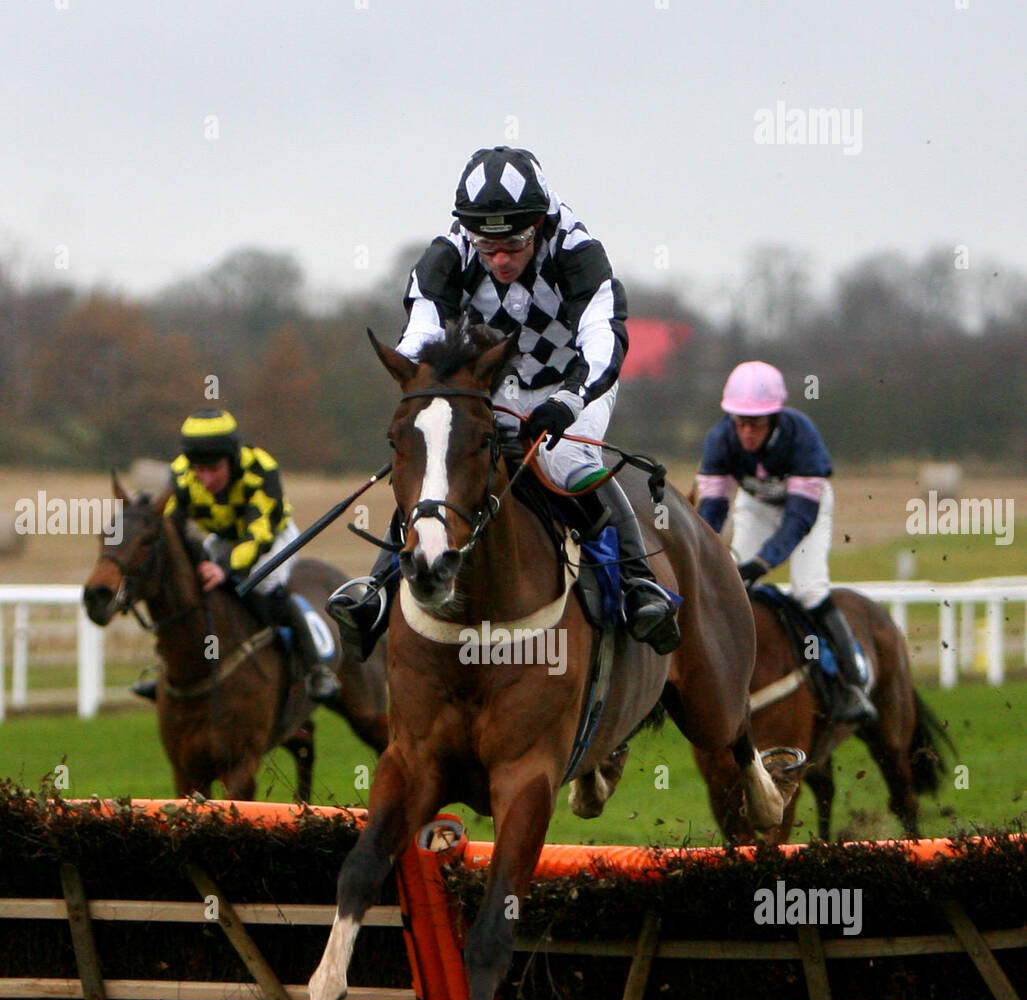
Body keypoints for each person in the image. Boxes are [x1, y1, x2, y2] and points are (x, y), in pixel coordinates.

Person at [328, 144, 680, 659]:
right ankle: (380, 592)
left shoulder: (577, 250)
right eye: (485, 245)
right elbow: (421, 331)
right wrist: (424, 385)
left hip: (572, 380)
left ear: (537, 222)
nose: (498, 259)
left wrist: (568, 399)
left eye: (513, 243)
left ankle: (636, 581)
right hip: (488, 386)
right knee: (441, 461)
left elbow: (604, 339)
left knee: (565, 458)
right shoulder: (447, 255)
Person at [695, 362, 876, 723]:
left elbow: (798, 521)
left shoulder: (802, 436)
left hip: (806, 509)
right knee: (731, 586)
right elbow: (713, 510)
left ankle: (852, 683)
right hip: (756, 506)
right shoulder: (720, 439)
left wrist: (762, 562)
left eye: (756, 424)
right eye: (740, 422)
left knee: (809, 589)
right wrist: (707, 553)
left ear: (775, 418)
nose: (746, 433)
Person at [131, 408, 341, 702]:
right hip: (224, 537)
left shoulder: (261, 469)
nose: (205, 478)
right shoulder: (180, 473)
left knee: (266, 585)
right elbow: (172, 529)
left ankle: (317, 670)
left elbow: (258, 536)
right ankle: (168, 667)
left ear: (232, 457)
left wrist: (225, 568)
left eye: (213, 468)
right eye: (199, 469)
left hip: (273, 536)